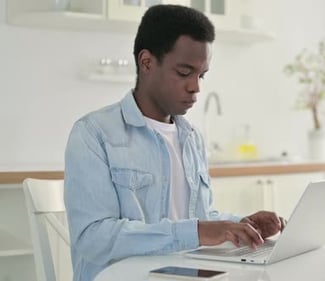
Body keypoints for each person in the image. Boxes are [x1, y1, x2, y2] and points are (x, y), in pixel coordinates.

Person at [64, 4, 285, 281]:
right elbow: (93, 237)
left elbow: (198, 215)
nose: (196, 87)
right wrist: (197, 230)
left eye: (201, 75)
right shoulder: (94, 134)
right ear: (146, 63)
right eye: (184, 73)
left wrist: (241, 224)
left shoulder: (191, 138)